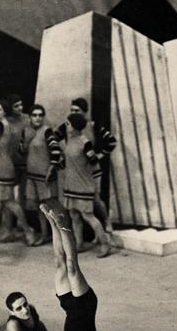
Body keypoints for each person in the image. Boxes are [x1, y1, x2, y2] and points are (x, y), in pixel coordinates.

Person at [39, 200, 104, 331]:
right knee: (71, 265)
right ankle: (63, 225)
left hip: (68, 306)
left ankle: (51, 221)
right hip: (85, 305)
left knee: (59, 263)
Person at [0, 98, 39, 245]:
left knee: (9, 201)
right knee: (5, 200)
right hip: (3, 165)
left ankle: (27, 229)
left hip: (0, 167)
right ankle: (8, 231)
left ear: (5, 112)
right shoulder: (7, 126)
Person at [58, 98, 117, 232]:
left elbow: (112, 141)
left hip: (91, 169)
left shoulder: (92, 125)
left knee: (96, 199)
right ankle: (84, 235)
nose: (74, 113)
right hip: (75, 170)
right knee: (75, 205)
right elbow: (53, 137)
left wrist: (99, 155)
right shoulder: (67, 125)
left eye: (77, 111)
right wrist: (61, 153)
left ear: (85, 112)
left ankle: (106, 220)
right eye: (72, 110)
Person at [59, 113, 112, 257]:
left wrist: (92, 158)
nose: (66, 126)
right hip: (71, 184)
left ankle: (105, 243)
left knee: (88, 216)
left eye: (68, 124)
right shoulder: (70, 140)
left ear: (74, 126)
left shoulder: (85, 142)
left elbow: (93, 162)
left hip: (83, 185)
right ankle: (79, 243)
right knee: (74, 215)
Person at [21, 104, 62, 244]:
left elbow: (56, 151)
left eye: (40, 115)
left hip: (44, 177)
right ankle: (44, 235)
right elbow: (21, 151)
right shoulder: (26, 131)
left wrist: (51, 169)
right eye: (34, 115)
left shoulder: (47, 131)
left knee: (52, 207)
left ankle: (62, 236)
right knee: (40, 208)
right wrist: (26, 142)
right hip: (31, 176)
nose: (37, 118)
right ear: (30, 117)